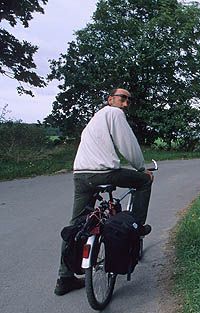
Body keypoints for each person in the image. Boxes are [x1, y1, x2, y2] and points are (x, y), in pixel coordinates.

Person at [54, 88, 154, 296]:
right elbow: (128, 145)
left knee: (76, 224)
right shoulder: (114, 113)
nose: (126, 103)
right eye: (122, 98)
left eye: (128, 100)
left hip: (81, 176)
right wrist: (140, 168)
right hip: (103, 173)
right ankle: (136, 227)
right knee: (144, 182)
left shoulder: (95, 119)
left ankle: (64, 278)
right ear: (111, 100)